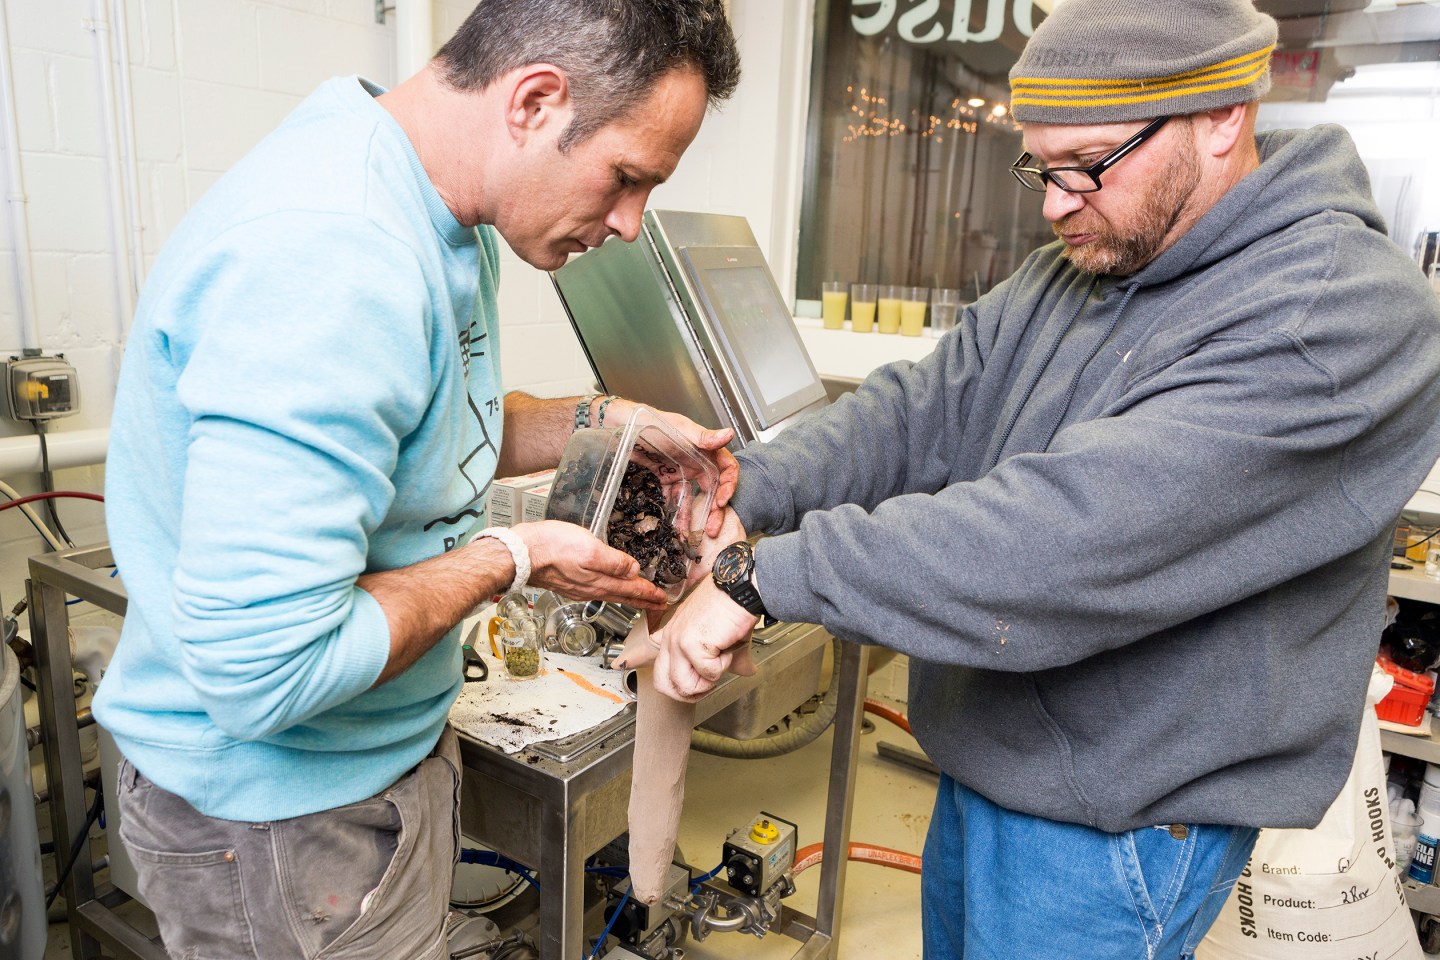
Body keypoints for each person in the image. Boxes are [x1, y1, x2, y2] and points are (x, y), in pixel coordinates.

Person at [640, 1, 1440, 957]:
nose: (1055, 202)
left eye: (1088, 164)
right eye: (1042, 166)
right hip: (996, 759)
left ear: (1223, 115)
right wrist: (739, 490)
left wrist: (762, 578)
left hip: (1119, 824)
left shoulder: (1336, 313)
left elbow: (1070, 532)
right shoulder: (1088, 263)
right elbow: (918, 409)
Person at [91, 1, 739, 957]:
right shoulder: (331, 252)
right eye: (625, 178)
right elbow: (266, 669)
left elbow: (430, 419)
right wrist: (510, 558)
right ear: (535, 101)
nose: (631, 224)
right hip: (278, 821)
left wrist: (606, 424)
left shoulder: (435, 202)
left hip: (363, 769)